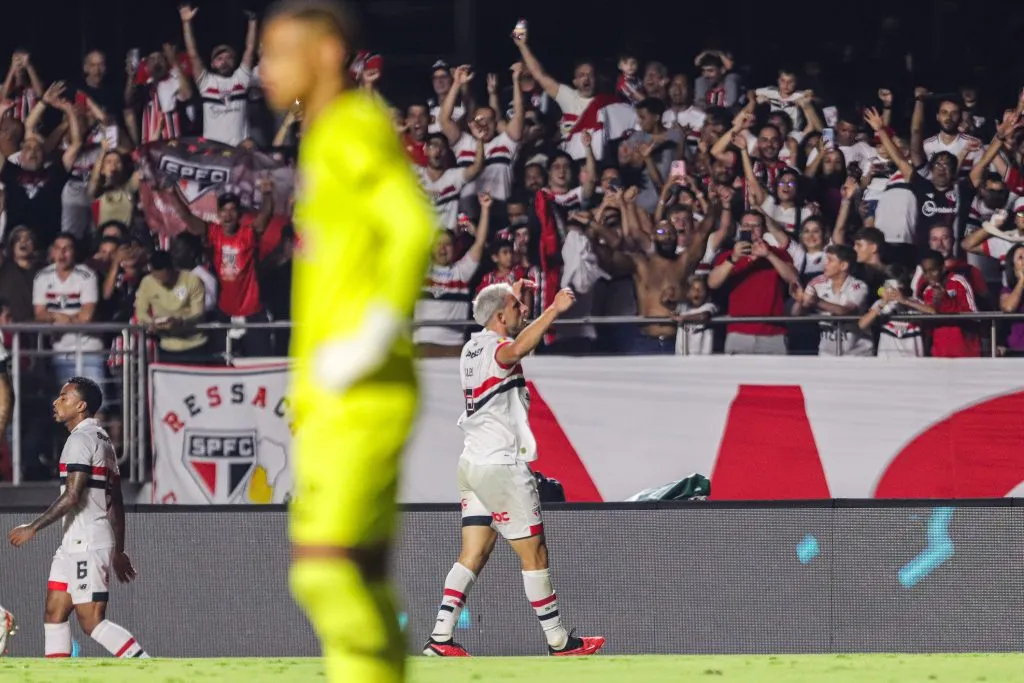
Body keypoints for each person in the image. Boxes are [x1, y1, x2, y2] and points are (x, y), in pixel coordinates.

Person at [259, 2, 437, 682]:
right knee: (362, 577)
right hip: (338, 394)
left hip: (360, 391)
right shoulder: (325, 132)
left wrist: (369, 337)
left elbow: (413, 225)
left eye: (278, 52)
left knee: (322, 574)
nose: (262, 68)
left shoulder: (350, 125)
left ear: (327, 51)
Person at [423, 280, 605, 657]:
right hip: (501, 466)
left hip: (472, 464)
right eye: (517, 307)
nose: (523, 311)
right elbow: (516, 348)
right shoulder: (497, 349)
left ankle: (440, 638)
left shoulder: (471, 347)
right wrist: (553, 309)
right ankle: (558, 641)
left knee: (472, 554)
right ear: (500, 316)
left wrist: (511, 287)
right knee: (534, 554)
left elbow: (513, 338)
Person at [7, 377, 147, 659]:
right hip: (75, 541)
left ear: (81, 406)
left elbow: (73, 495)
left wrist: (32, 528)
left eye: (64, 397)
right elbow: (116, 502)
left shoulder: (80, 440)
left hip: (86, 542)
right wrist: (118, 549)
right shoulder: (102, 439)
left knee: (91, 621)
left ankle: (148, 668)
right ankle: (57, 677)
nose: (56, 402)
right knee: (54, 613)